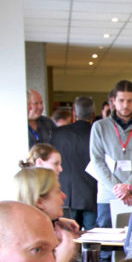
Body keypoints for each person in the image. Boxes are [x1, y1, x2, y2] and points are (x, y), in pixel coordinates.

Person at [88, 80, 132, 262]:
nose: (125, 105)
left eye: (130, 101)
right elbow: (97, 161)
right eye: (121, 100)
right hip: (109, 196)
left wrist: (128, 186)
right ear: (113, 102)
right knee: (106, 247)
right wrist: (118, 188)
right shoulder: (99, 127)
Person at [52, 95, 99, 230]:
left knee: (68, 237)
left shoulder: (58, 134)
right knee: (92, 240)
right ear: (93, 113)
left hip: (67, 195)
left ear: (74, 112)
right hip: (92, 195)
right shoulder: (96, 134)